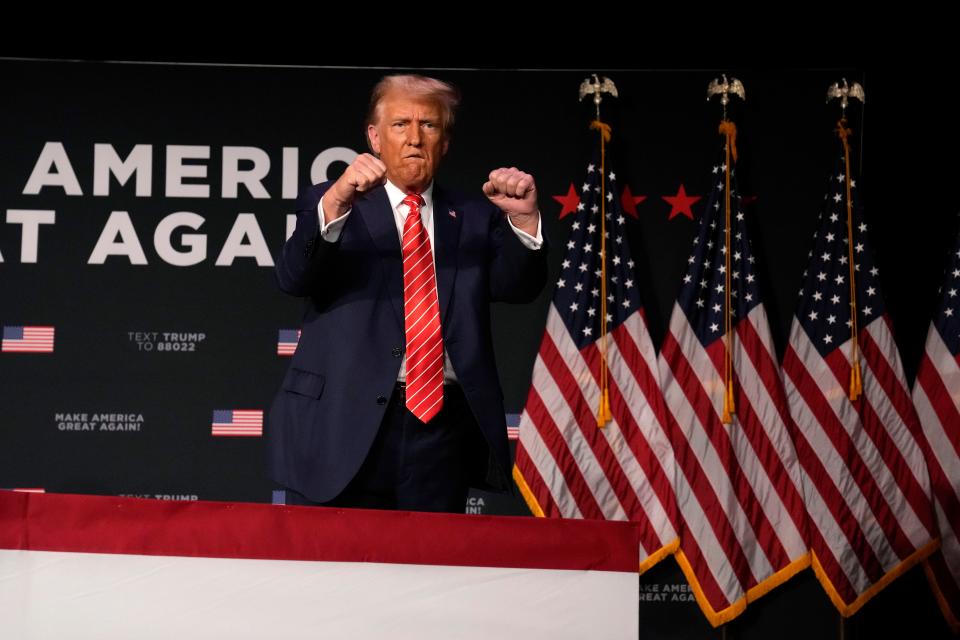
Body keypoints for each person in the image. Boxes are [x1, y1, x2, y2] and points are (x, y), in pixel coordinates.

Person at [266, 74, 548, 513]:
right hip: (346, 421)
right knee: (341, 571)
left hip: (441, 428)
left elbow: (518, 287)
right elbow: (293, 277)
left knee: (430, 572)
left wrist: (525, 223)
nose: (415, 138)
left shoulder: (475, 216)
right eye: (400, 125)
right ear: (374, 138)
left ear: (446, 141)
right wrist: (338, 199)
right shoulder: (331, 202)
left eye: (429, 125)